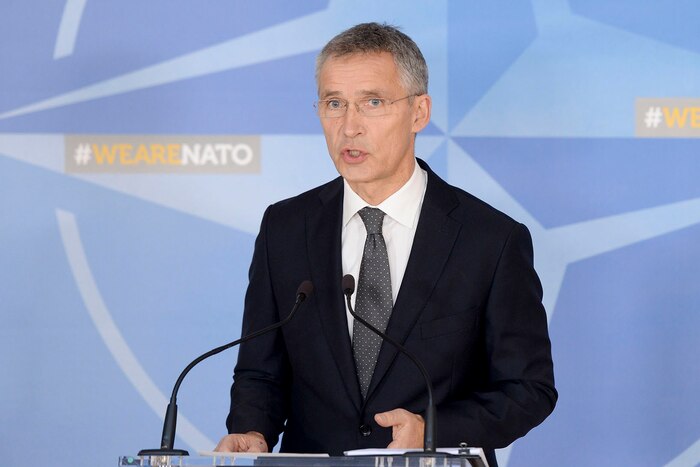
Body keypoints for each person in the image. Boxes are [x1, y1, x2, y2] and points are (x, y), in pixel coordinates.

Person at [215, 22, 556, 466]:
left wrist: (431, 430)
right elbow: (261, 370)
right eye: (334, 103)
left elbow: (528, 389)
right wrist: (252, 429)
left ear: (419, 112)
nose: (349, 127)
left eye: (372, 102)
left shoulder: (490, 240)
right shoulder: (285, 227)